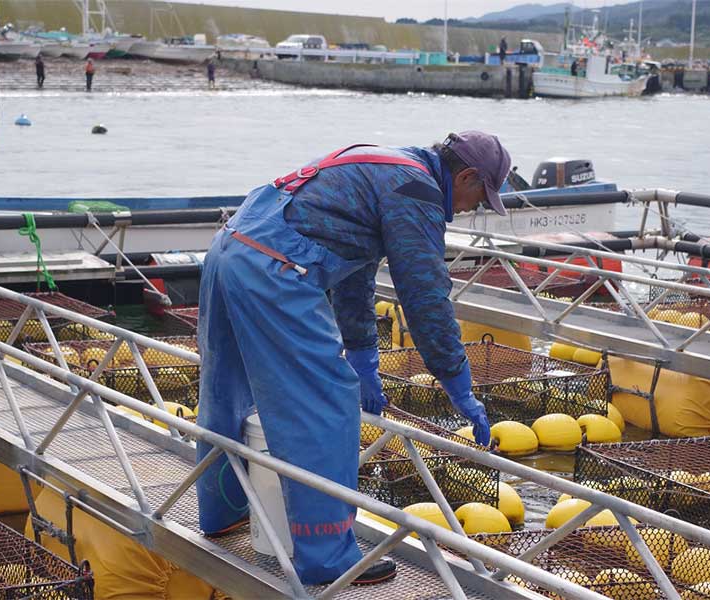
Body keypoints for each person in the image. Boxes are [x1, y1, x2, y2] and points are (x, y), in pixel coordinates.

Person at [195, 131, 510, 586]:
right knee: (323, 405)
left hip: (230, 249)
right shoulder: (417, 191)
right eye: (480, 198)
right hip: (275, 269)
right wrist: (457, 383)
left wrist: (365, 357)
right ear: (466, 176)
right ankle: (327, 556)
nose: (471, 210)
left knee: (226, 389)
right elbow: (425, 295)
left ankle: (221, 511)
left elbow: (352, 270)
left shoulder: (386, 167)